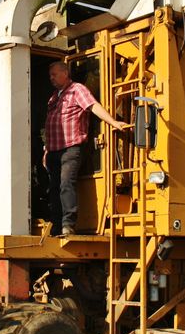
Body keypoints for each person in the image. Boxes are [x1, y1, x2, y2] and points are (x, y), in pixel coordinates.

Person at [42, 60, 126, 236]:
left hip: (71, 148)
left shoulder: (77, 90)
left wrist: (112, 122)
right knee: (54, 187)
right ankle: (56, 225)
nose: (51, 78)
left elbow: (93, 106)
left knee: (66, 183)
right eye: (50, 75)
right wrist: (47, 150)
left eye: (54, 74)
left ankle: (68, 224)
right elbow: (49, 126)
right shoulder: (54, 97)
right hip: (54, 150)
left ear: (65, 73)